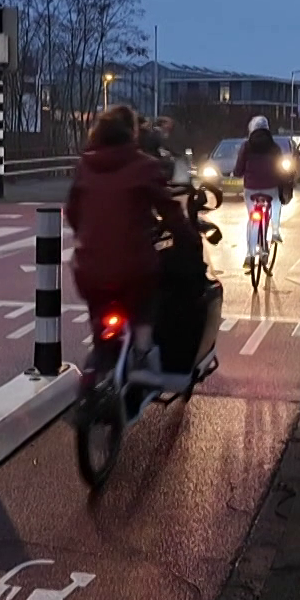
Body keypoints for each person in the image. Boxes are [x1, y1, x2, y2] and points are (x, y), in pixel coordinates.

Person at [67, 105, 192, 388]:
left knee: (98, 307)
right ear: (132, 133)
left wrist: (88, 236)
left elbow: (73, 212)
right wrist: (187, 238)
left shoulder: (85, 165)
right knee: (147, 297)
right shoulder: (144, 166)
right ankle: (143, 354)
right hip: (133, 269)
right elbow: (170, 211)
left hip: (88, 269)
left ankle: (98, 360)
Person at [230, 115, 287, 269]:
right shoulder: (274, 147)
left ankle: (249, 255)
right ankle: (272, 234)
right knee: (274, 204)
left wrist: (236, 173)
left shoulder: (246, 146)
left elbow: (239, 169)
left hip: (251, 189)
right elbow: (280, 169)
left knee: (252, 218)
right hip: (270, 187)